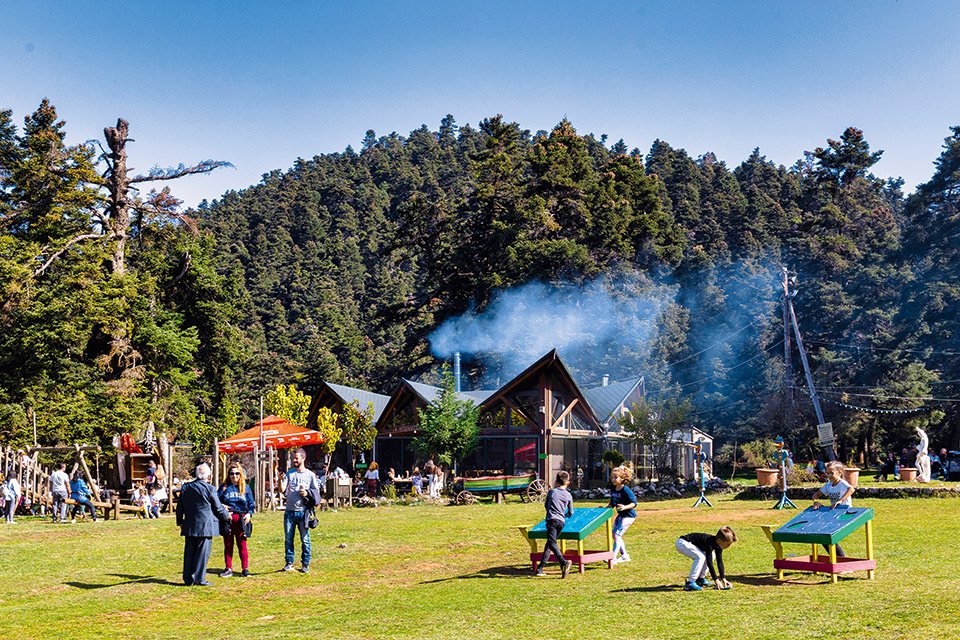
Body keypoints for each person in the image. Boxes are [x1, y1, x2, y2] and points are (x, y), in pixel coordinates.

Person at [176, 463, 231, 586]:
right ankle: (200, 579)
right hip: (206, 525)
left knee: (189, 553)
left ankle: (188, 578)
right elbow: (217, 508)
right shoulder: (210, 488)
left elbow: (180, 507)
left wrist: (180, 521)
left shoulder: (185, 487)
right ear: (208, 475)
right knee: (202, 554)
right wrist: (227, 516)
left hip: (190, 524)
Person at [281, 448, 321, 573]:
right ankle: (289, 563)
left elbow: (317, 493)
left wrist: (307, 493)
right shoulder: (289, 473)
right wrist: (280, 479)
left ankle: (305, 563)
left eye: (296, 458)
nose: (294, 460)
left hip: (303, 512)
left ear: (303, 458)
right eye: (293, 458)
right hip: (289, 511)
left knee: (305, 540)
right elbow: (282, 489)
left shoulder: (310, 475)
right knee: (288, 539)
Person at [217, 462, 255, 578]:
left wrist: (249, 514)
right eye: (232, 473)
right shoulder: (224, 487)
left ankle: (245, 569)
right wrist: (223, 508)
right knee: (228, 544)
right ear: (228, 474)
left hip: (241, 520)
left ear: (241, 474)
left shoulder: (245, 487)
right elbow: (216, 502)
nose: (234, 476)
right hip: (228, 520)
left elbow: (251, 504)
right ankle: (228, 568)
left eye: (237, 473)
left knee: (242, 544)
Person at [536, 470, 574, 578]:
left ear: (556, 481)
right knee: (549, 543)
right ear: (568, 483)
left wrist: (550, 512)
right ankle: (540, 568)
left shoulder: (552, 492)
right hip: (561, 522)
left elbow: (546, 505)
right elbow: (571, 512)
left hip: (551, 520)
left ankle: (563, 563)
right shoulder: (569, 495)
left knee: (552, 543)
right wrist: (564, 515)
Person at [811, 460, 854, 557]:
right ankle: (836, 558)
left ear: (839, 473)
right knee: (822, 536)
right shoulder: (828, 485)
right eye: (827, 473)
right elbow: (815, 495)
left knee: (829, 536)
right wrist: (815, 501)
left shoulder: (842, 483)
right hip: (834, 513)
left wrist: (840, 500)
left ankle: (841, 560)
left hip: (845, 512)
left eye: (832, 473)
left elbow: (851, 489)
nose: (829, 476)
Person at [675, 526, 737, 591]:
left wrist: (723, 578)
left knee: (712, 555)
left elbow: (719, 562)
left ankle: (700, 579)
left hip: (689, 544)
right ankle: (690, 583)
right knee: (700, 557)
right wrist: (716, 580)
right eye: (728, 544)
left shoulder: (718, 545)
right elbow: (709, 563)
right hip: (682, 543)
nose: (729, 547)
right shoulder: (709, 542)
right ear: (720, 541)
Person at [602, 465, 637, 563]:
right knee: (614, 534)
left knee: (617, 534)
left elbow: (634, 503)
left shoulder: (626, 490)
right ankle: (624, 556)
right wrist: (604, 509)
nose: (613, 479)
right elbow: (612, 504)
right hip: (621, 516)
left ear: (622, 478)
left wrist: (625, 507)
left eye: (616, 477)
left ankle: (612, 557)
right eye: (612, 477)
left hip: (629, 516)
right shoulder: (613, 489)